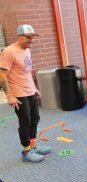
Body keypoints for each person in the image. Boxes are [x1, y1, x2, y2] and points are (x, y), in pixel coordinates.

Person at [0, 24, 51, 163]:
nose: (31, 41)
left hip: (29, 90)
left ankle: (34, 146)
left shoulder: (27, 50)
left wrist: (34, 88)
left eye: (33, 37)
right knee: (25, 122)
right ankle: (26, 152)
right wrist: (9, 96)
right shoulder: (9, 52)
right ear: (20, 37)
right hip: (18, 93)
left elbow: (26, 72)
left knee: (35, 118)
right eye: (28, 38)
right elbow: (2, 76)